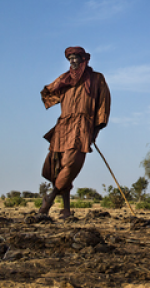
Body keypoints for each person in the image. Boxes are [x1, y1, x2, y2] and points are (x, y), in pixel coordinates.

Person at [39, 47, 111, 218]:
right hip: (63, 125)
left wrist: (96, 127)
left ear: (83, 59)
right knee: (60, 166)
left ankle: (49, 199)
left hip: (82, 126)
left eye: (75, 58)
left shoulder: (96, 78)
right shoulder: (65, 79)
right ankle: (66, 210)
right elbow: (48, 93)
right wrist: (57, 90)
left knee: (71, 164)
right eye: (69, 58)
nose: (72, 61)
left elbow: (103, 103)